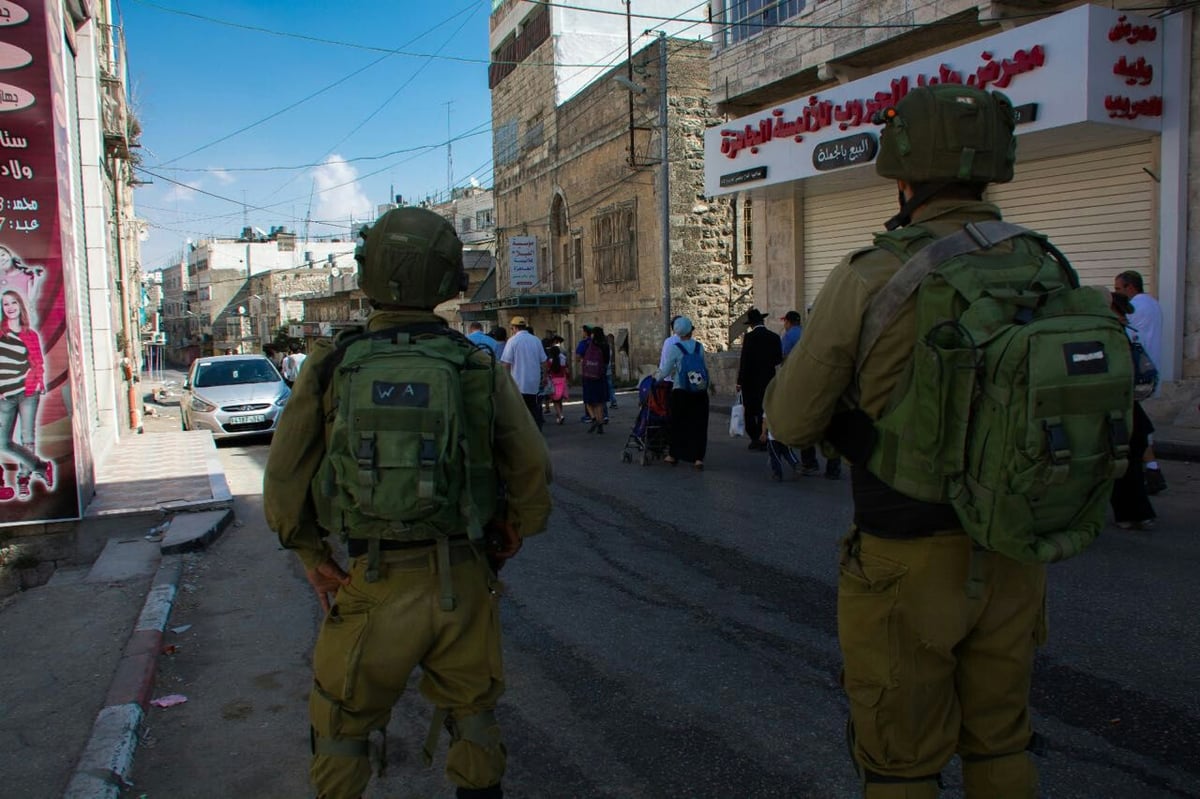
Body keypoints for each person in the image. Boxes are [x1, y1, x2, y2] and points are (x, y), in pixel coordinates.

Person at [766, 85, 1058, 798]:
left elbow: (790, 421)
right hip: (1015, 549)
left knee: (902, 758)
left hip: (905, 556)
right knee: (1000, 742)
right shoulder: (1046, 266)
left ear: (901, 175)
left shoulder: (872, 273)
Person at [262, 207, 552, 799]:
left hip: (370, 581)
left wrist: (309, 552)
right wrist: (514, 527)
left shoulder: (333, 362)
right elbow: (530, 468)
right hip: (464, 578)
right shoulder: (474, 364)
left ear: (368, 274)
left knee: (342, 725)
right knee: (473, 718)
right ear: (449, 280)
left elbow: (286, 475)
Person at [1114, 269, 1167, 495]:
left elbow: (1123, 327)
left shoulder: (1136, 308)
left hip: (1136, 377)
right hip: (1149, 372)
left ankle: (1151, 471)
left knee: (1136, 426)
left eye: (1118, 289)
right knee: (1141, 425)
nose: (1117, 294)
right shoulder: (1153, 304)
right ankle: (1151, 469)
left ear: (1130, 288)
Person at [1109, 291, 1156, 530]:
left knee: (1124, 461)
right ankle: (1137, 511)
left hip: (1120, 408)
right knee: (1129, 460)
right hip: (1128, 408)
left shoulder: (1111, 334)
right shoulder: (1126, 331)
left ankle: (1132, 512)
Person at [0, 290, 52, 501]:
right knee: (3, 442)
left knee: (27, 437)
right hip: (5, 395)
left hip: (28, 392)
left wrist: (36, 383)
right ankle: (41, 466)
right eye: (5, 304)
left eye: (13, 303)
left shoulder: (30, 335)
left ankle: (23, 479)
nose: (10, 307)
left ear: (20, 306)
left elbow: (38, 363)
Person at [653, 315, 710, 469]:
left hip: (681, 391)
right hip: (699, 391)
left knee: (678, 423)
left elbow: (665, 370)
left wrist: (655, 378)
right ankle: (698, 458)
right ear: (690, 330)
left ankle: (674, 454)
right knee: (699, 424)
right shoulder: (699, 347)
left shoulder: (675, 348)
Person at [736, 307, 782, 451]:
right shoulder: (774, 337)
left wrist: (740, 381)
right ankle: (766, 435)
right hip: (768, 378)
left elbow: (745, 361)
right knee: (766, 408)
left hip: (750, 380)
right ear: (762, 321)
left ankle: (756, 438)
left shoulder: (749, 338)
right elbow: (778, 359)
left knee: (750, 410)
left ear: (751, 324)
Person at [499, 315, 547, 430]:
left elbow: (506, 363)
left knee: (519, 412)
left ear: (515, 328)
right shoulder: (536, 340)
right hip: (533, 384)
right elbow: (544, 361)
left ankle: (523, 433)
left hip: (518, 383)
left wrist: (504, 380)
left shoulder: (512, 341)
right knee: (534, 409)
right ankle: (536, 432)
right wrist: (544, 377)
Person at [579, 326, 611, 434]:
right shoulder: (605, 345)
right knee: (599, 401)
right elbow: (607, 360)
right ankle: (600, 422)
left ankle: (593, 418)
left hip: (589, 375)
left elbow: (579, 356)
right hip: (601, 374)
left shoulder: (589, 344)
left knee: (588, 400)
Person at [546, 343, 569, 424]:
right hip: (562, 380)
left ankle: (560, 415)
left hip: (553, 381)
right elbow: (566, 370)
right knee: (560, 401)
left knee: (555, 401)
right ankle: (559, 416)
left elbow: (547, 371)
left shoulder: (550, 361)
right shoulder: (563, 359)